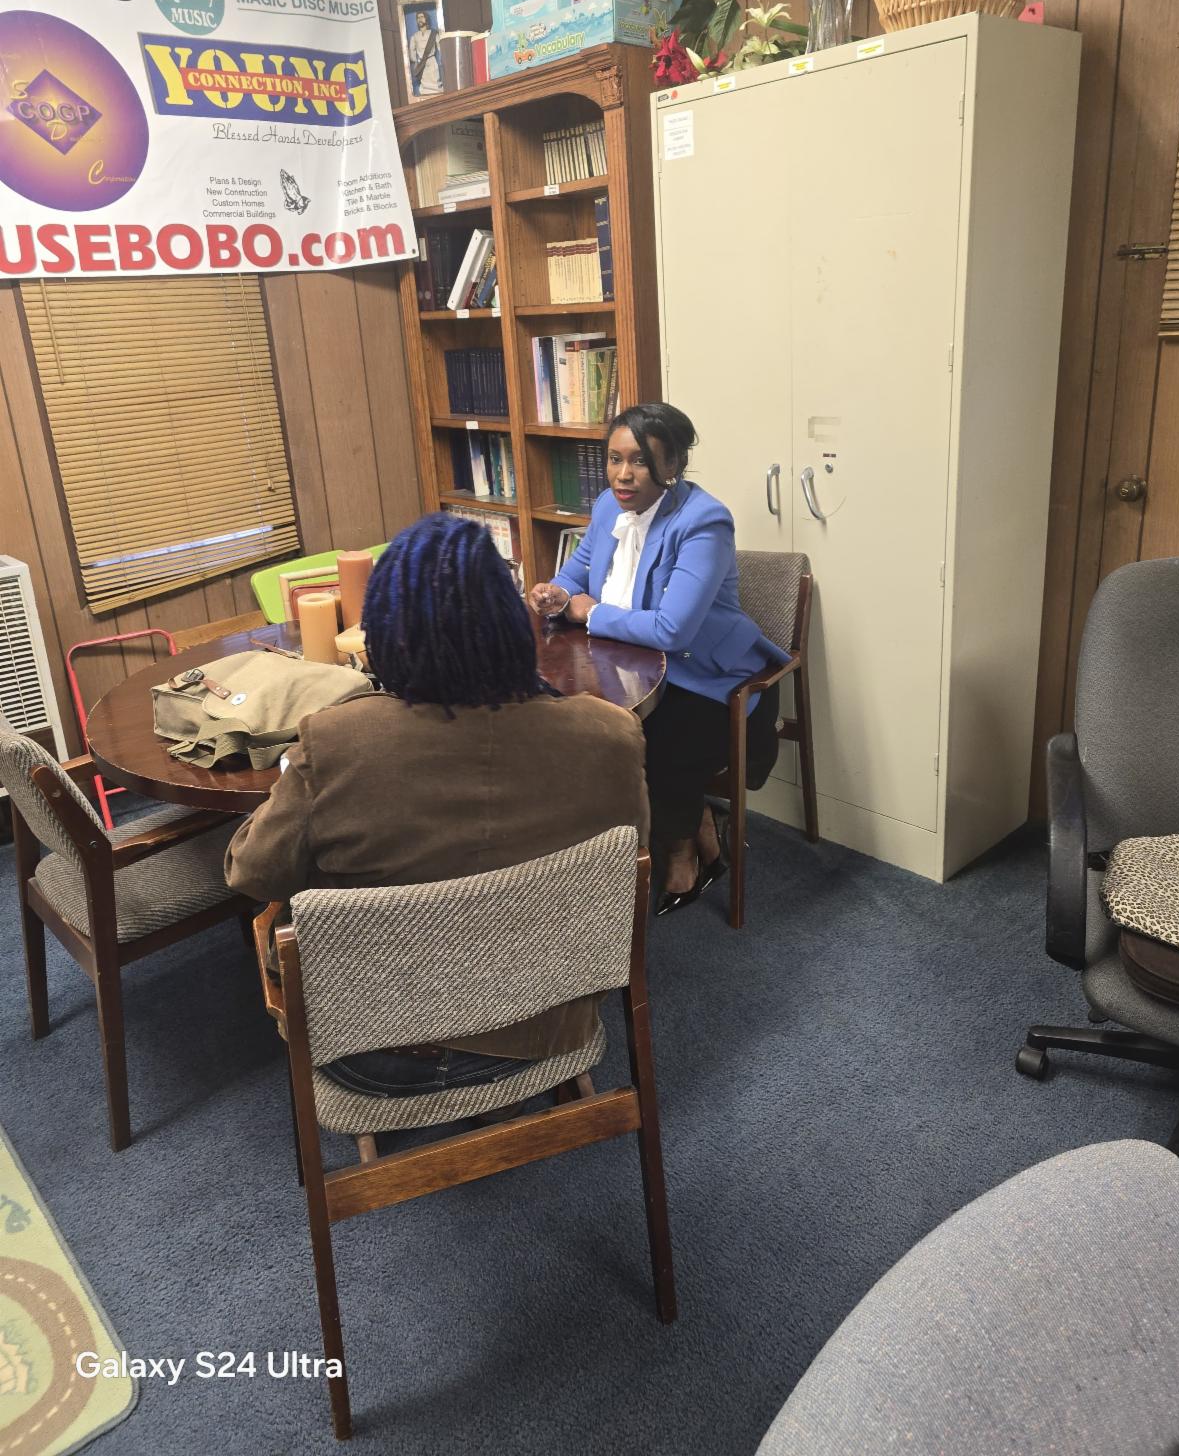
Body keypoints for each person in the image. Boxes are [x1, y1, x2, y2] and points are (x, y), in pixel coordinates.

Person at [226, 513, 648, 1099]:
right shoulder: (612, 734)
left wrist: (297, 780)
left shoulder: (335, 743)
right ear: (512, 624)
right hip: (553, 1019)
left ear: (383, 635)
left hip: (378, 1047)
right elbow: (627, 871)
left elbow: (252, 873)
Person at [528, 403, 788, 916]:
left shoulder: (704, 521)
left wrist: (589, 613)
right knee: (572, 726)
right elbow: (577, 572)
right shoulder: (609, 506)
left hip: (709, 674)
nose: (623, 475)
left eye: (641, 461)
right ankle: (649, 834)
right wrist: (555, 593)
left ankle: (685, 850)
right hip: (628, 665)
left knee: (657, 742)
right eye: (615, 459)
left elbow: (672, 629)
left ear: (673, 464)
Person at [407, 8, 442, 96]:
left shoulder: (433, 33)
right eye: (418, 18)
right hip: (422, 65)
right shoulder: (415, 36)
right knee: (424, 87)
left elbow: (441, 47)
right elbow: (411, 53)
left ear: (426, 18)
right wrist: (417, 62)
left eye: (422, 17)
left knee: (436, 84)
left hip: (432, 62)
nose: (420, 19)